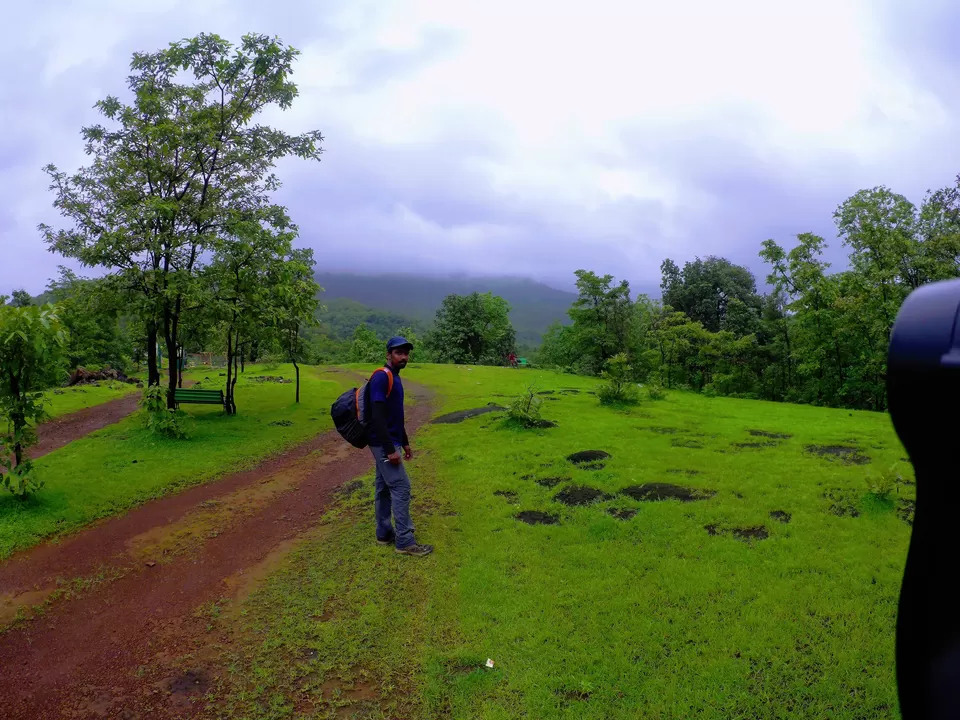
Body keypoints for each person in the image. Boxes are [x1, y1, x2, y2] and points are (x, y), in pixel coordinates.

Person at [367, 336, 433, 557]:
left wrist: (404, 442)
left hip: (390, 441)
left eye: (406, 353)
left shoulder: (395, 378)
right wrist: (389, 449)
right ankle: (404, 541)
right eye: (398, 353)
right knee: (401, 488)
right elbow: (377, 416)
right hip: (382, 443)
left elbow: (395, 416)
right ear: (388, 354)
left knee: (384, 487)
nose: (403, 357)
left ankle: (384, 534)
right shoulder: (381, 377)